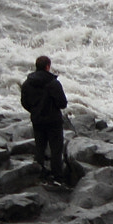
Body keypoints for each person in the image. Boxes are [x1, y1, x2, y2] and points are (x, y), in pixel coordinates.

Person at [20, 54, 69, 182]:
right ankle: (57, 177)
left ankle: (39, 174)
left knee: (40, 148)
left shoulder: (27, 83)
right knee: (56, 150)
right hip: (53, 121)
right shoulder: (53, 83)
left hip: (37, 120)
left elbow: (24, 102)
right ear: (48, 66)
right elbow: (63, 103)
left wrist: (34, 110)